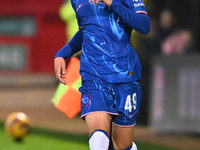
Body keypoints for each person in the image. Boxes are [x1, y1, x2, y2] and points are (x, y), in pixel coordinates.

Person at [54, 0, 150, 149]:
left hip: (125, 75)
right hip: (93, 74)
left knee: (122, 145)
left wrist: (111, 2)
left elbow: (144, 26)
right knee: (99, 139)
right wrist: (62, 53)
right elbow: (86, 30)